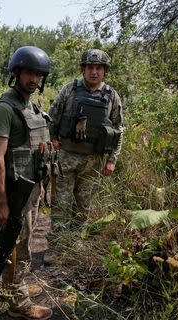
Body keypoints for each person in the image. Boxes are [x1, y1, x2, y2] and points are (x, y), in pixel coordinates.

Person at [0, 46, 53, 320]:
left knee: (22, 242)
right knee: (18, 245)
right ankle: (18, 304)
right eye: (29, 72)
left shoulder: (32, 107)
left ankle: (15, 287)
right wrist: (2, 202)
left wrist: (39, 187)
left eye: (39, 74)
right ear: (16, 73)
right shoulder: (5, 109)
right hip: (15, 193)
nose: (34, 79)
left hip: (31, 189)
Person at [49, 48, 124, 219]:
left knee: (84, 208)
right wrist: (51, 151)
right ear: (83, 69)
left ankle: (76, 243)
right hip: (65, 157)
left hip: (93, 161)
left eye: (99, 68)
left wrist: (112, 160)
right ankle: (57, 242)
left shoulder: (112, 96)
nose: (94, 72)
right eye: (90, 67)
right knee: (60, 205)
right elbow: (52, 120)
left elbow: (119, 129)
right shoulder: (69, 90)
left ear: (104, 70)